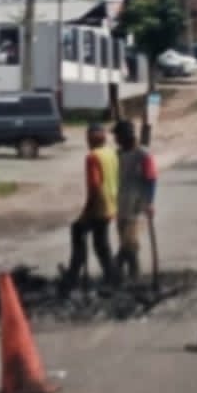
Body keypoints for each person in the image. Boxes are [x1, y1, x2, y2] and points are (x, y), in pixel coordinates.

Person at [60, 123, 119, 291]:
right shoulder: (111, 153)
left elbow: (95, 185)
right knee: (101, 242)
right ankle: (112, 277)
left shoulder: (93, 157)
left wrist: (87, 210)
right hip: (112, 203)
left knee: (79, 231)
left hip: (99, 205)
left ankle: (73, 276)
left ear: (90, 140)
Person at [113, 119, 158, 282]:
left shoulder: (142, 154)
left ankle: (115, 269)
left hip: (136, 203)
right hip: (121, 202)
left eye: (117, 136)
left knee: (129, 241)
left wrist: (150, 202)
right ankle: (130, 274)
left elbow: (151, 179)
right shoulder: (118, 154)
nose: (115, 139)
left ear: (125, 136)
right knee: (127, 242)